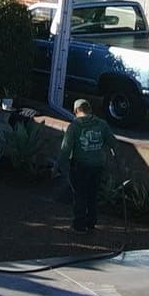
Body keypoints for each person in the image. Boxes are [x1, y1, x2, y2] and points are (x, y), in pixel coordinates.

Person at [58, 98, 116, 234]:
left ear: (76, 111)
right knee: (92, 194)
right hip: (98, 166)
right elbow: (113, 142)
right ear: (89, 110)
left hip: (81, 166)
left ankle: (79, 225)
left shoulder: (74, 126)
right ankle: (91, 222)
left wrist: (59, 165)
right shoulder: (102, 124)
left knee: (80, 195)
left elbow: (65, 149)